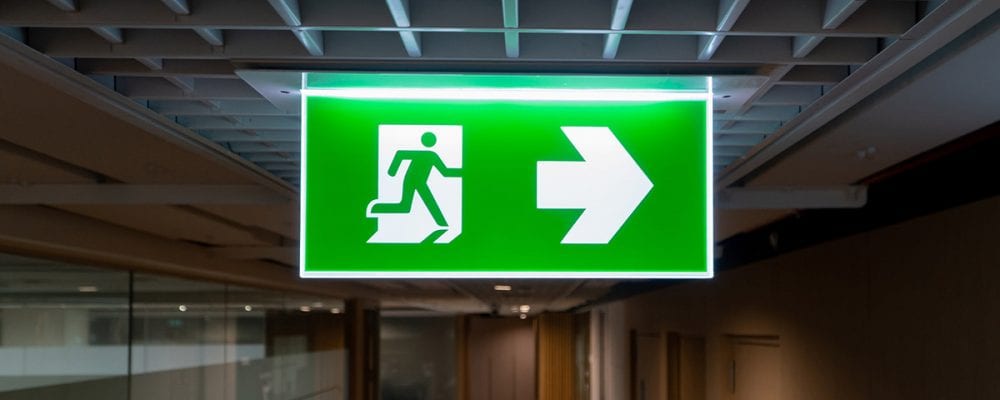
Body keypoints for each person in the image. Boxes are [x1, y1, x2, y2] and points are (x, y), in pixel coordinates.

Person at [370, 131, 460, 227]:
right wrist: (392, 171)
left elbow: (445, 172)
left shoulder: (432, 155)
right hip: (412, 180)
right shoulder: (430, 155)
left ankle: (376, 208)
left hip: (417, 181)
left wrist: (463, 171)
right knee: (418, 203)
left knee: (405, 207)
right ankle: (442, 223)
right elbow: (400, 154)